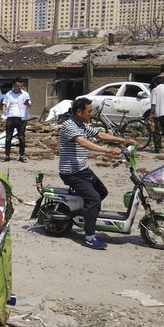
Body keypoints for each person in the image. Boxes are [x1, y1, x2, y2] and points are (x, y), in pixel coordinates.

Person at [59, 97, 135, 250]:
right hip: (71, 173)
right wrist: (108, 150)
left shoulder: (82, 124)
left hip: (83, 169)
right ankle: (89, 238)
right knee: (94, 199)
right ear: (79, 112)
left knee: (102, 192)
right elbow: (84, 142)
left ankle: (83, 214)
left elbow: (100, 135)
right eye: (89, 111)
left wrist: (122, 140)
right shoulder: (69, 126)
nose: (91, 113)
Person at [1, 78, 32, 162]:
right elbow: (4, 105)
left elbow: (29, 105)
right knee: (8, 138)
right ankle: (7, 155)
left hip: (21, 118)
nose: (19, 88)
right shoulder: (8, 94)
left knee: (21, 137)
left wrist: (27, 104)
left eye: (21, 86)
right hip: (10, 117)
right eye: (18, 86)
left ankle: (21, 156)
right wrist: (3, 116)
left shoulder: (25, 94)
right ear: (14, 85)